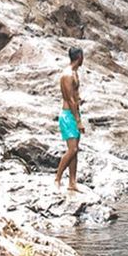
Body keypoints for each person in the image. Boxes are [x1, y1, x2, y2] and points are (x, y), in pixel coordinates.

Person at [54, 46, 86, 193]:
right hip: (68, 115)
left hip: (73, 114)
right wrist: (78, 120)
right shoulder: (67, 75)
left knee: (75, 150)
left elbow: (76, 97)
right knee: (72, 149)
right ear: (79, 56)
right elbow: (70, 99)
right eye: (83, 56)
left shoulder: (74, 73)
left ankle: (72, 182)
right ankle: (57, 178)